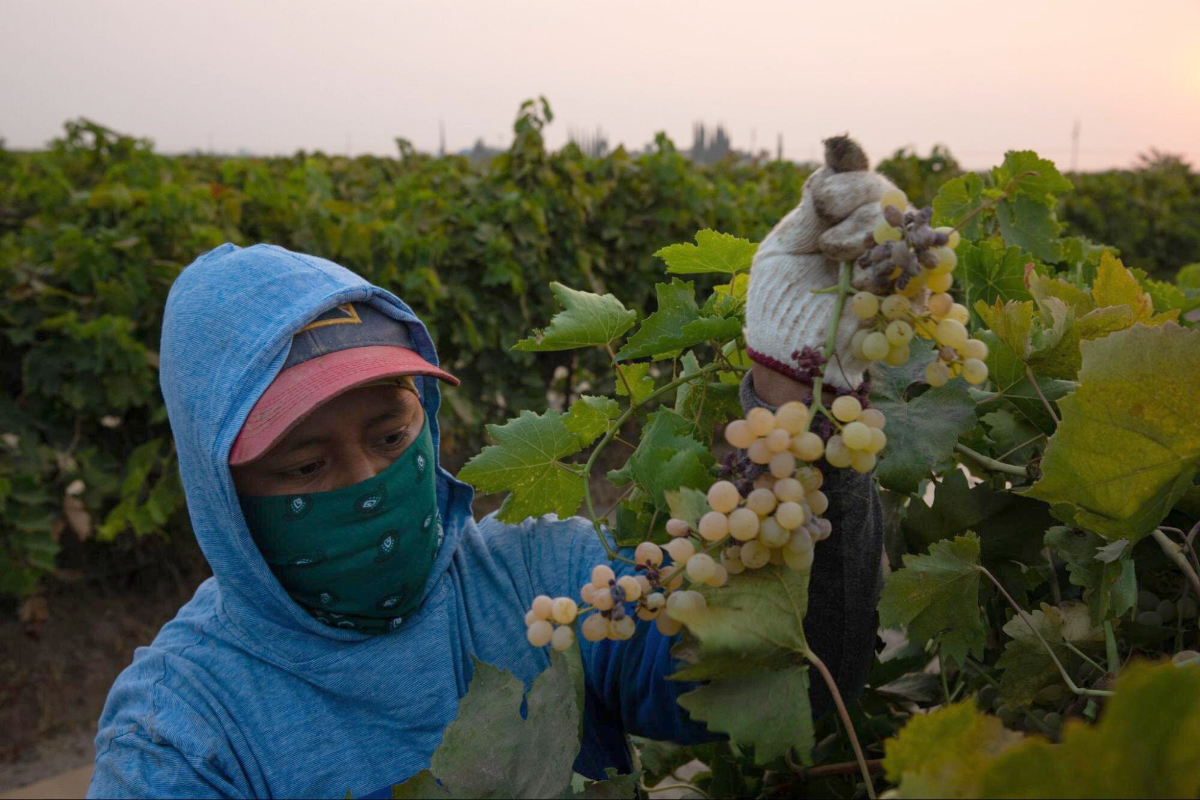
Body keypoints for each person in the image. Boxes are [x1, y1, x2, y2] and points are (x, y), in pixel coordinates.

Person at [88, 137, 891, 799]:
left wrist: (795, 397)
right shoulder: (178, 735)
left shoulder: (549, 579)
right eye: (304, 466)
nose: (366, 480)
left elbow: (784, 682)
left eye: (391, 434)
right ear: (224, 498)